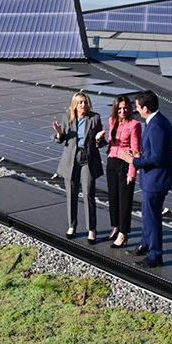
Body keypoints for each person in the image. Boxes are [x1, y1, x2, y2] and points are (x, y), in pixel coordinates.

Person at [117, 90, 172, 268]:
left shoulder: (157, 125)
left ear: (146, 108)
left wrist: (134, 161)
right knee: (147, 216)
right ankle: (145, 244)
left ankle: (155, 255)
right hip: (152, 179)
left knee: (152, 218)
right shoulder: (157, 121)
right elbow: (156, 152)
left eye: (137, 107)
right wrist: (141, 154)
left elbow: (158, 158)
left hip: (156, 181)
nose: (136, 110)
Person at [53, 92, 104, 244]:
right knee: (71, 193)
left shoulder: (94, 118)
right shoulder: (67, 117)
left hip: (88, 159)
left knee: (88, 192)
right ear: (75, 104)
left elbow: (100, 143)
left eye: (85, 102)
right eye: (80, 102)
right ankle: (72, 226)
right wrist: (59, 134)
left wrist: (99, 139)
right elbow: (60, 140)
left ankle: (91, 229)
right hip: (71, 159)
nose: (83, 105)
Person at [103, 95, 142, 248]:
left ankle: (123, 233)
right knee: (113, 197)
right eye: (119, 108)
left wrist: (132, 173)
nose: (122, 111)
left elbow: (135, 150)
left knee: (124, 200)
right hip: (112, 162)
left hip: (125, 164)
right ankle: (116, 226)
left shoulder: (134, 125)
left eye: (125, 107)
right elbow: (111, 144)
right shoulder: (112, 121)